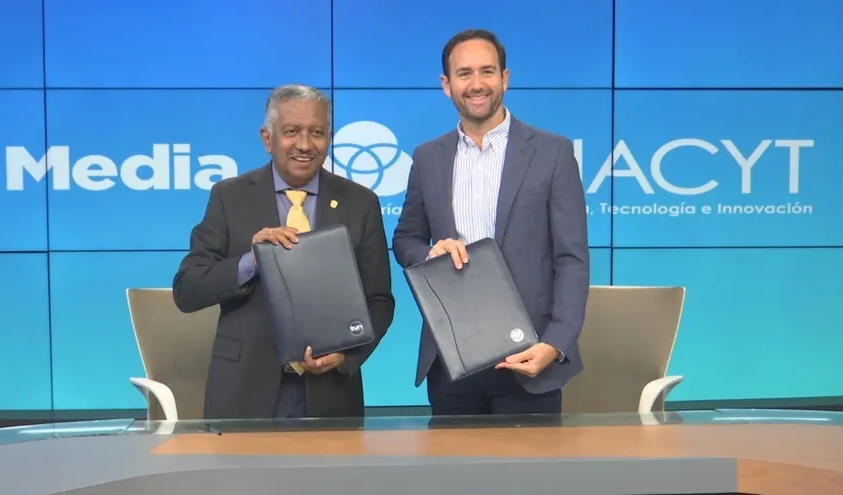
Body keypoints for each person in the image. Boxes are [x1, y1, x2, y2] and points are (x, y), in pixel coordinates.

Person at [392, 29, 590, 416]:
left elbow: (572, 259)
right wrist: (429, 251)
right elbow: (406, 239)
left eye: (487, 71)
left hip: (531, 357)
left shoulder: (552, 152)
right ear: (446, 85)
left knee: (528, 479)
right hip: (453, 359)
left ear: (505, 78)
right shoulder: (428, 157)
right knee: (454, 477)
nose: (477, 84)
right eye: (464, 74)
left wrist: (555, 342)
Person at [173, 84, 395, 420]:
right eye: (291, 132)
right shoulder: (230, 197)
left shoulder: (360, 203)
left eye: (316, 132)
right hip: (243, 392)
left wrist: (347, 357)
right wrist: (252, 261)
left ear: (329, 137)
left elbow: (379, 300)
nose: (305, 145)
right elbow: (187, 290)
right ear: (267, 138)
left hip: (331, 395)